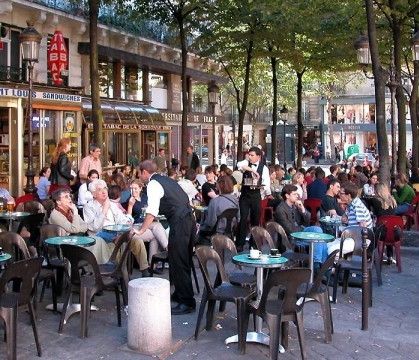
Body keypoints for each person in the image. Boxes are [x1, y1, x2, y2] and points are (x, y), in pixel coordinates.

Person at [137, 159, 197, 315]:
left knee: (179, 260)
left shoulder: (153, 184)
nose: (139, 176)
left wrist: (142, 230)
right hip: (188, 219)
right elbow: (185, 198)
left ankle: (187, 301)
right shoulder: (167, 180)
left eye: (139, 173)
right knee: (181, 258)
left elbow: (152, 210)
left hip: (180, 222)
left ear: (144, 172)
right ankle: (179, 293)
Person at [83, 179, 150, 277]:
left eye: (105, 188)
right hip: (100, 238)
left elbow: (123, 221)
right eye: (100, 189)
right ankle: (118, 276)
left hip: (117, 234)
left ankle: (144, 270)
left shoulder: (112, 205)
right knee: (114, 248)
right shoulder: (89, 207)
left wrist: (120, 234)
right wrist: (105, 209)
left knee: (137, 241)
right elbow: (95, 227)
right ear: (94, 194)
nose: (104, 191)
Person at [49, 188, 112, 264]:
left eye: (70, 196)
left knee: (99, 240)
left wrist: (74, 228)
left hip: (77, 240)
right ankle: (96, 268)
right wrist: (75, 213)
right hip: (67, 247)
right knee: (97, 242)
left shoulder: (69, 211)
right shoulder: (56, 215)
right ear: (58, 201)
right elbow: (75, 229)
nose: (69, 199)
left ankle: (107, 265)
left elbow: (84, 226)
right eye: (66, 197)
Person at [273, 184, 325, 265]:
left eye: (297, 194)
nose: (297, 196)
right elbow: (290, 229)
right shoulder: (280, 209)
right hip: (291, 238)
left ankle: (320, 265)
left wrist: (303, 210)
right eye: (294, 194)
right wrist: (303, 230)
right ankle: (317, 265)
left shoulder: (296, 206)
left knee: (321, 240)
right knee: (317, 231)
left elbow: (308, 222)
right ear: (287, 195)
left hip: (300, 233)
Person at [124, 179, 168, 265]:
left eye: (135, 188)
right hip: (136, 226)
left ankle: (152, 264)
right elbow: (128, 221)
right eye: (132, 188)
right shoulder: (129, 201)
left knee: (157, 227)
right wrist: (130, 206)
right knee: (156, 230)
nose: (133, 191)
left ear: (141, 188)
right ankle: (167, 251)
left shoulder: (145, 197)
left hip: (147, 224)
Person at [236, 146, 271, 252]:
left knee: (255, 220)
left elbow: (266, 185)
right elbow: (239, 165)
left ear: (258, 157)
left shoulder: (264, 168)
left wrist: (261, 189)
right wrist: (252, 170)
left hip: (256, 195)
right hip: (245, 195)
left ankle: (254, 243)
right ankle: (240, 243)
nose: (250, 157)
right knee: (243, 218)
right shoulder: (245, 163)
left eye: (252, 155)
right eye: (249, 155)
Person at [370, 182, 398, 264]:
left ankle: (371, 254)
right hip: (395, 232)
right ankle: (390, 256)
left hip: (381, 232)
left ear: (378, 192)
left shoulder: (375, 201)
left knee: (371, 230)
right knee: (389, 226)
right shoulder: (393, 201)